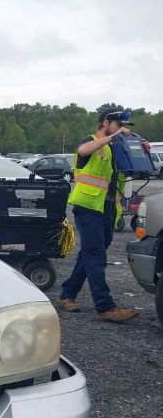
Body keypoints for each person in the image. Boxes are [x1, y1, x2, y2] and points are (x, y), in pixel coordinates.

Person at [57, 108, 150, 322]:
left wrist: (140, 151)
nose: (124, 129)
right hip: (88, 207)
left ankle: (67, 294)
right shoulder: (91, 142)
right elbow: (83, 150)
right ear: (107, 123)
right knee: (96, 257)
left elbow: (132, 172)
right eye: (120, 125)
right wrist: (114, 137)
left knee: (89, 254)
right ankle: (104, 306)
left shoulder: (115, 149)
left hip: (107, 210)